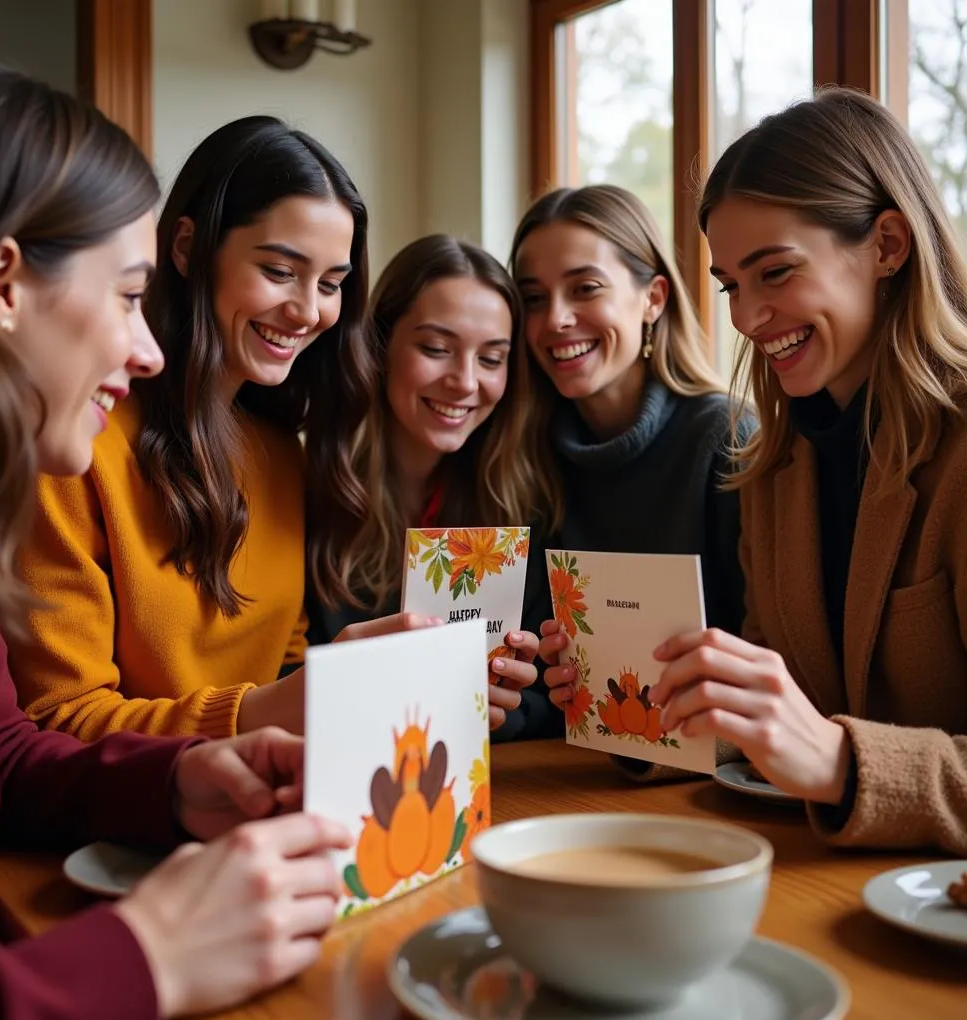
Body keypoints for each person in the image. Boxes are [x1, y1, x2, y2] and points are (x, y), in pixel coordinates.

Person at [0, 60, 350, 1020]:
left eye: (330, 282)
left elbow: (1, 749)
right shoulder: (61, 467)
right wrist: (145, 955)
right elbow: (58, 715)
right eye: (128, 297)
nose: (148, 345)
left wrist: (176, 780)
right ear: (4, 281)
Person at [7, 114, 428, 742]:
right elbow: (59, 719)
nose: (309, 311)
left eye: (332, 284)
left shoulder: (284, 453)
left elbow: (283, 670)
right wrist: (266, 713)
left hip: (259, 807)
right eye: (280, 272)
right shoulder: (73, 445)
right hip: (119, 826)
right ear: (185, 248)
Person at [650, 87, 967, 855]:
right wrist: (655, 711)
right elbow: (786, 711)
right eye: (730, 284)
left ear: (888, 245)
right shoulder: (772, 464)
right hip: (821, 884)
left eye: (776, 273)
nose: (746, 317)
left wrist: (840, 762)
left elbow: (820, 750)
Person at [510, 186, 748, 746]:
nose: (557, 319)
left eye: (585, 288)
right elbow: (544, 699)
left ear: (654, 299)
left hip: (714, 771)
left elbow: (768, 656)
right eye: (534, 299)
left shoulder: (724, 439)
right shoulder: (524, 454)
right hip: (574, 772)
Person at [304, 235, 558, 731]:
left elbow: (553, 699)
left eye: (490, 359)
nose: (465, 381)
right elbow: (272, 685)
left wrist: (511, 702)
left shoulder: (521, 503)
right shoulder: (303, 495)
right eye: (437, 348)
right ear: (378, 346)